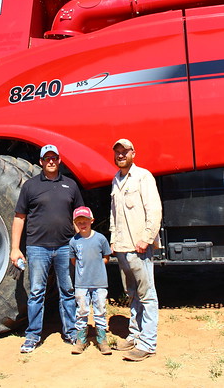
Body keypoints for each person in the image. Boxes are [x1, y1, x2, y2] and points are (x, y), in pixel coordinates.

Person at [10, 144, 84, 353]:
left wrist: (82, 244)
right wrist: (15, 248)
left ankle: (70, 333)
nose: (51, 161)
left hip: (64, 247)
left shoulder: (71, 185)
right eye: (47, 158)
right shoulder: (30, 186)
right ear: (41, 161)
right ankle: (33, 335)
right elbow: (19, 217)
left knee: (67, 292)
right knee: (36, 293)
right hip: (37, 248)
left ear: (59, 160)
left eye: (54, 158)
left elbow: (79, 216)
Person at [110, 138, 162, 361]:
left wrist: (146, 238)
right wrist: (113, 238)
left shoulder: (143, 177)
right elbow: (114, 213)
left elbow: (155, 210)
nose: (121, 155)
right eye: (118, 152)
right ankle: (135, 334)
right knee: (132, 294)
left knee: (147, 295)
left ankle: (148, 343)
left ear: (133, 153)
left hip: (139, 247)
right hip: (122, 247)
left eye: (125, 151)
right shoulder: (115, 180)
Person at [69, 206, 112, 355]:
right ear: (75, 223)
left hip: (99, 282)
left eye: (85, 221)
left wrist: (97, 268)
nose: (82, 224)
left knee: (100, 309)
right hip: (81, 283)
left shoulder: (100, 238)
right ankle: (81, 340)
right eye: (79, 221)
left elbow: (106, 257)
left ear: (91, 221)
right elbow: (74, 260)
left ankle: (102, 340)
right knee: (81, 310)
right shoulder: (74, 241)